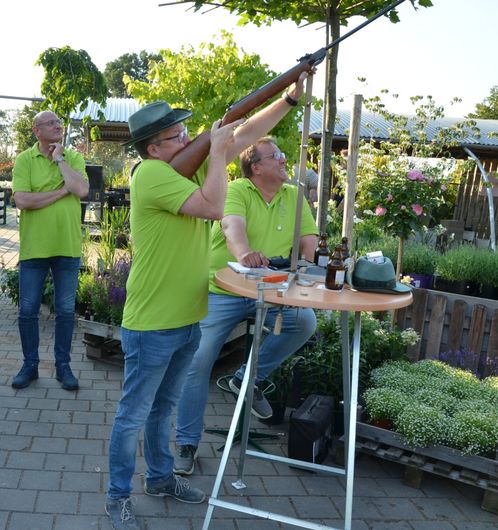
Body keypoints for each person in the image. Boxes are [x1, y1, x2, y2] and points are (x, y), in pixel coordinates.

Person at [105, 74, 308, 530]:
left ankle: (160, 479)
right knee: (133, 415)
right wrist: (215, 152)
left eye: (185, 133)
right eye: (177, 136)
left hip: (188, 317)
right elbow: (215, 207)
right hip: (153, 321)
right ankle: (117, 497)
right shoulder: (150, 174)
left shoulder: (185, 167)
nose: (187, 139)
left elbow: (245, 134)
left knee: (163, 408)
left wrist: (289, 99)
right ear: (154, 148)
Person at [172, 136, 319, 476]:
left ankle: (248, 378)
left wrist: (313, 267)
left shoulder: (294, 195)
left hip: (271, 290)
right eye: (276, 156)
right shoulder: (238, 189)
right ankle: (186, 443)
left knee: (304, 322)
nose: (284, 160)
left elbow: (309, 240)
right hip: (224, 288)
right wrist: (244, 254)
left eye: (282, 154)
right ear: (256, 167)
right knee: (198, 360)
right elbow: (231, 225)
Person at [10, 110, 88, 391]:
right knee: (28, 310)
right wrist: (61, 192)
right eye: (51, 123)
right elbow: (23, 200)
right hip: (35, 247)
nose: (58, 126)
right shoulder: (24, 159)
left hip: (67, 245)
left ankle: (62, 366)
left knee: (65, 310)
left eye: (59, 123)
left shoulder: (72, 157)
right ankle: (29, 365)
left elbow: (81, 190)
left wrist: (60, 160)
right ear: (36, 130)